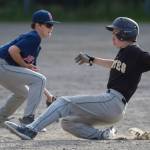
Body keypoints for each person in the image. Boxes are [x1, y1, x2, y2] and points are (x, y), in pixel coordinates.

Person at [5, 17, 150, 140]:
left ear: (125, 34)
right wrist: (92, 60)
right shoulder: (126, 52)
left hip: (113, 102)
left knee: (63, 102)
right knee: (67, 122)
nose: (112, 34)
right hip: (112, 107)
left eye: (115, 31)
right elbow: (115, 64)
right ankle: (102, 135)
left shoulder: (134, 51)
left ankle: (30, 130)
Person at [0, 9, 59, 126]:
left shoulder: (36, 46)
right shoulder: (34, 37)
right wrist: (24, 64)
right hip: (2, 64)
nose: (51, 28)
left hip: (4, 68)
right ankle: (29, 121)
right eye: (48, 25)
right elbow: (13, 50)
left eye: (52, 25)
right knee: (40, 79)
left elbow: (33, 76)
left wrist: (49, 96)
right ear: (38, 25)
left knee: (23, 93)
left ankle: (1, 117)